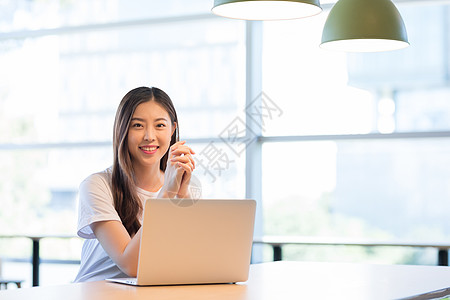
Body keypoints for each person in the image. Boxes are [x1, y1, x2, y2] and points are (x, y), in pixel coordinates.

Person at [74, 86, 196, 282]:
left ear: (173, 129)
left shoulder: (188, 185)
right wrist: (167, 193)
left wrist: (182, 196)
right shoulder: (96, 186)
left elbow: (191, 258)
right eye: (138, 125)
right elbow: (130, 265)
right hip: (98, 292)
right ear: (122, 129)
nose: (149, 136)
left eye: (160, 125)